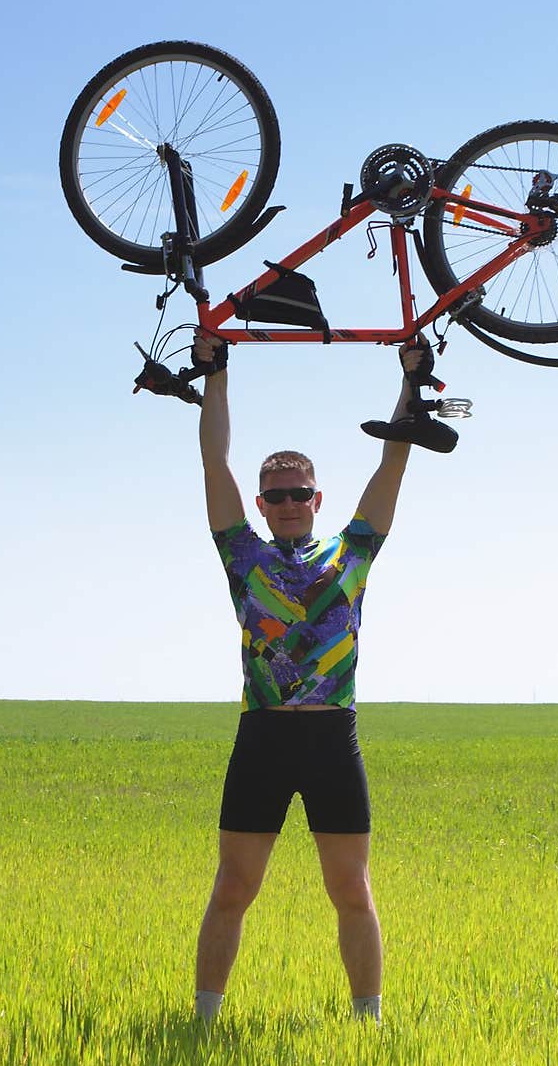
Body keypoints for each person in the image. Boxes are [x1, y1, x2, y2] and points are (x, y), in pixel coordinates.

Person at [186, 328, 444, 1024]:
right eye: (276, 494)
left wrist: (411, 381)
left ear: (318, 497)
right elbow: (215, 462)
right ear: (263, 505)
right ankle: (203, 1023)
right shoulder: (242, 554)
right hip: (262, 738)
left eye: (299, 491)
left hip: (334, 741)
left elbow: (393, 461)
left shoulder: (353, 552)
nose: (289, 501)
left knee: (352, 889)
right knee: (234, 886)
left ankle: (369, 1025)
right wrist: (217, 374)